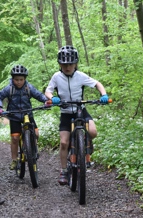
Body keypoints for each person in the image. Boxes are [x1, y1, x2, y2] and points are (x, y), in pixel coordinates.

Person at [45, 45, 109, 185]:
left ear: (75, 64)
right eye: (64, 64)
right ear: (60, 64)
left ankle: (85, 144)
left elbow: (97, 84)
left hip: (81, 110)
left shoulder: (81, 76)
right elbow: (48, 91)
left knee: (93, 131)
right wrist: (52, 98)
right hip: (66, 113)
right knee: (63, 143)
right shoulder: (56, 77)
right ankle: (63, 171)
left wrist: (103, 94)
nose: (67, 67)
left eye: (70, 64)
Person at [0, 65, 50, 170]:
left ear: (25, 79)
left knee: (36, 134)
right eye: (16, 80)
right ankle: (14, 160)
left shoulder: (29, 88)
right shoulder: (9, 88)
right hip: (14, 116)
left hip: (27, 114)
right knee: (15, 138)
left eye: (21, 79)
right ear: (12, 79)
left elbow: (39, 95)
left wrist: (46, 101)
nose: (19, 82)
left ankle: (32, 149)